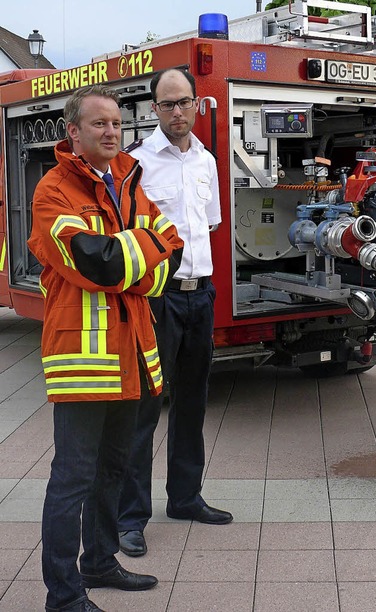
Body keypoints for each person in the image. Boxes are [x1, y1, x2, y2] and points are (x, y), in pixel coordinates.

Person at [28, 84, 184, 612]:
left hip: (132, 355)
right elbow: (95, 261)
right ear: (72, 132)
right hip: (84, 362)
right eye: (99, 124)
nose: (112, 131)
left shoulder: (128, 182)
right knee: (72, 479)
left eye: (116, 123)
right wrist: (135, 260)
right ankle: (63, 595)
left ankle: (99, 562)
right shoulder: (54, 192)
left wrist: (129, 263)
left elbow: (173, 249)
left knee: (115, 469)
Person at [118, 68, 231, 558]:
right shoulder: (135, 165)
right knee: (145, 407)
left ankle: (185, 498)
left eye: (184, 102)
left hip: (199, 296)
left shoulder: (205, 160)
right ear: (153, 110)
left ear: (195, 104)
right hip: (156, 300)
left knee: (193, 403)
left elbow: (208, 227)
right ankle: (130, 518)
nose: (178, 112)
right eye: (168, 105)